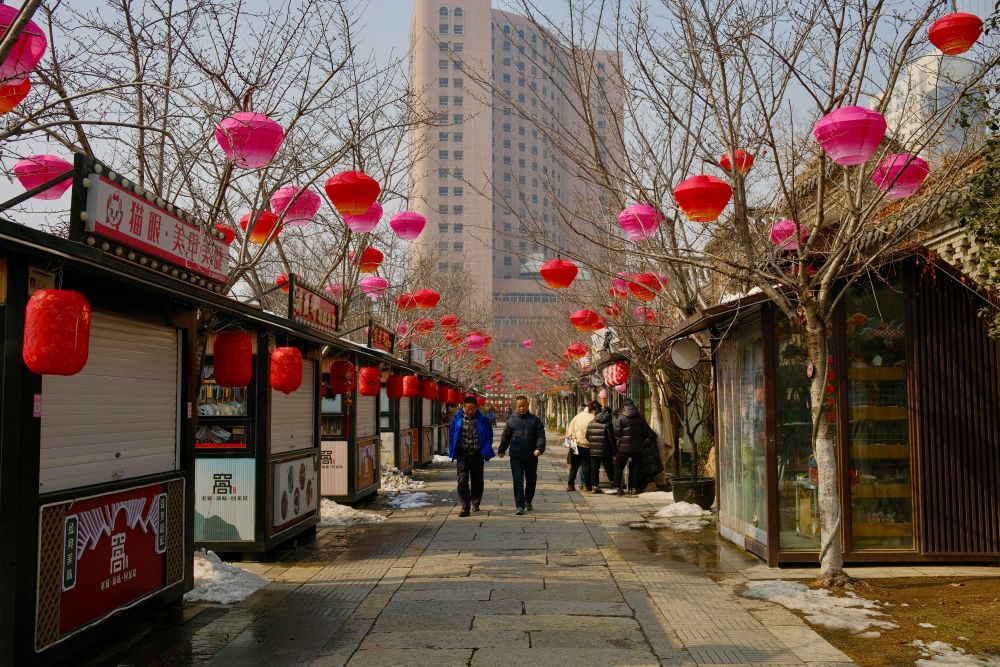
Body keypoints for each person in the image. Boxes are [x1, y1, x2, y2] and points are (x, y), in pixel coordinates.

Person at [448, 396, 496, 516]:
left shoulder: (483, 420)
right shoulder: (457, 418)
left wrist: (485, 449)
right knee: (462, 480)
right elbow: (452, 435)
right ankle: (465, 506)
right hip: (462, 454)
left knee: (477, 481)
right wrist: (452, 451)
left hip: (477, 454)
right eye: (468, 408)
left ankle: (475, 502)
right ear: (463, 407)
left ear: (477, 408)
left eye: (473, 408)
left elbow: (489, 436)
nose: (470, 411)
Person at [498, 395, 546, 515]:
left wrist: (539, 449)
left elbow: (541, 436)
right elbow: (505, 436)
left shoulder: (535, 420)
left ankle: (528, 500)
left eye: (523, 405)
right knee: (517, 480)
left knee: (531, 480)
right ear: (516, 406)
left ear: (528, 405)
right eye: (519, 406)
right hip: (516, 456)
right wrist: (502, 450)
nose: (521, 408)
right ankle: (520, 505)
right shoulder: (511, 420)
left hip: (531, 456)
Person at [612, 398, 649, 495]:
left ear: (624, 406)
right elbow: (646, 432)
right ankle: (633, 488)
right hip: (637, 447)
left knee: (618, 466)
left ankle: (617, 487)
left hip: (623, 448)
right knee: (636, 467)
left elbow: (616, 432)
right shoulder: (640, 418)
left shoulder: (620, 418)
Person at [565, 402, 597, 492]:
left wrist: (571, 441)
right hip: (587, 445)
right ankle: (587, 486)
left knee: (574, 466)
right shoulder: (593, 418)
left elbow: (570, 428)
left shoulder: (578, 416)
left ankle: (570, 485)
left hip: (575, 443)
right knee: (587, 465)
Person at [585, 403, 616, 493]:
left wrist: (593, 443)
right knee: (609, 468)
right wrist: (614, 450)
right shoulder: (608, 423)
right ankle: (614, 484)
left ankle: (595, 486)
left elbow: (587, 435)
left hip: (593, 450)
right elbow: (611, 438)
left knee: (594, 469)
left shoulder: (591, 422)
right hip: (606, 451)